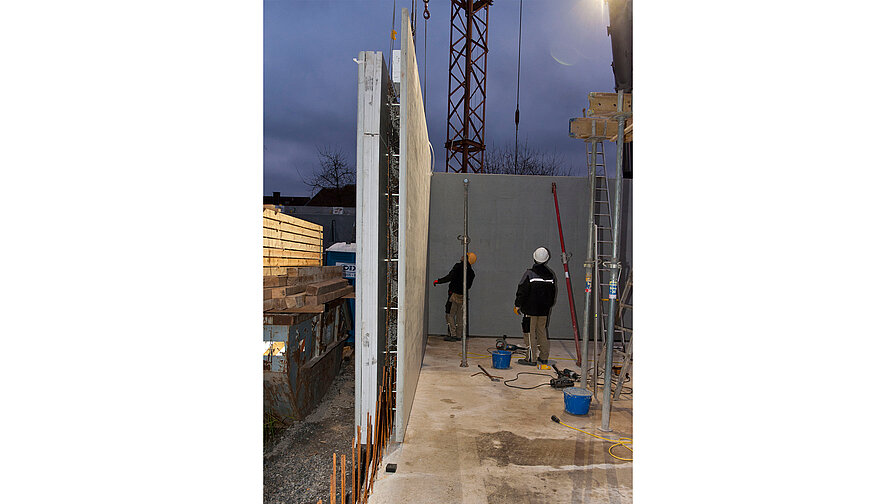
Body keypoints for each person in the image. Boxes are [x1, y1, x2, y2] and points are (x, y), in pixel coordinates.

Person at [514, 247, 556, 366]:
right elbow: (553, 294)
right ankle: (544, 357)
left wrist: (517, 305)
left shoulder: (529, 274)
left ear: (534, 257)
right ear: (546, 259)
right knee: (542, 332)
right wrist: (547, 306)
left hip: (530, 311)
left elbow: (522, 290)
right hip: (544, 311)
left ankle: (531, 358)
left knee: (529, 333)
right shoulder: (550, 275)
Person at [433, 252, 477, 341]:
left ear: (467, 259)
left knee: (449, 314)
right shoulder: (472, 273)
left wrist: (438, 281)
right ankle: (458, 335)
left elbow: (450, 277)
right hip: (462, 296)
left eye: (465, 256)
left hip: (453, 295)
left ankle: (452, 335)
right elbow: (468, 286)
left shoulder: (458, 266)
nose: (462, 256)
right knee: (460, 316)